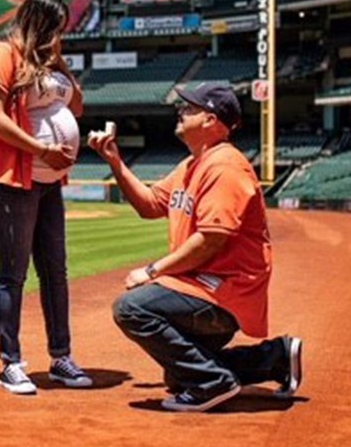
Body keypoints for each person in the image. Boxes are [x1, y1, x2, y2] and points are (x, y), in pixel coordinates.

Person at [88, 82, 303, 412]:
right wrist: (114, 161)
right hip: (202, 287)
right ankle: (274, 358)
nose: (180, 110)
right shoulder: (191, 165)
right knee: (180, 375)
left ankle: (212, 384)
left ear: (210, 120)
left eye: (189, 107)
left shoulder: (225, 167)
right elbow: (148, 205)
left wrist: (152, 271)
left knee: (132, 308)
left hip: (226, 290)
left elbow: (212, 239)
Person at [0, 0, 92, 395]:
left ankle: (61, 358)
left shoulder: (49, 64)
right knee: (13, 274)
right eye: (55, 28)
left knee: (55, 272)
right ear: (38, 22)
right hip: (9, 180)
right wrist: (42, 149)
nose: (60, 35)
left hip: (47, 183)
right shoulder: (3, 54)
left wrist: (59, 62)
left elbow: (77, 108)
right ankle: (11, 364)